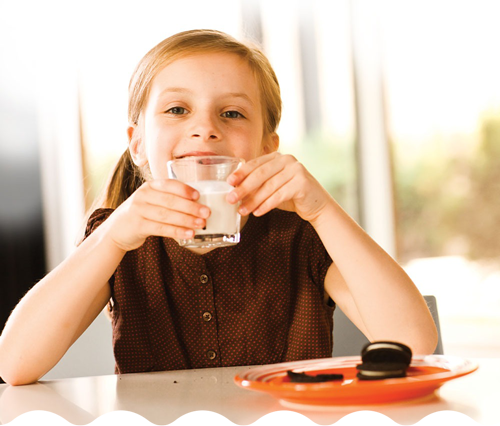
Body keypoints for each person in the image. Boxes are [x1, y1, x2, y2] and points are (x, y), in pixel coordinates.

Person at [0, 29, 438, 385]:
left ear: (267, 147)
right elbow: (15, 364)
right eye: (177, 109)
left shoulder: (301, 234)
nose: (205, 129)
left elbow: (413, 343)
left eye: (232, 113)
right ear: (137, 143)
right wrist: (112, 237)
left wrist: (322, 211)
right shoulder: (118, 238)